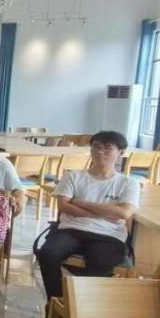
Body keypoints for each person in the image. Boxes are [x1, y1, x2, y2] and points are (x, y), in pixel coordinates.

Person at [36, 131, 138, 307]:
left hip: (108, 235)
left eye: (107, 148)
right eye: (96, 147)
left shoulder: (128, 183)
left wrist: (80, 202)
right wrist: (104, 213)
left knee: (100, 261)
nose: (100, 152)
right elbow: (64, 206)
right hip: (71, 230)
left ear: (121, 153)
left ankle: (83, 309)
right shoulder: (73, 176)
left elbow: (124, 213)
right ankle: (56, 304)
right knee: (47, 253)